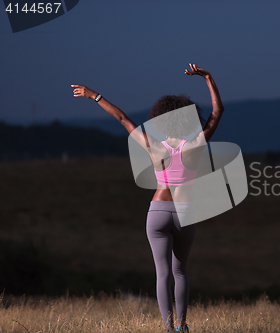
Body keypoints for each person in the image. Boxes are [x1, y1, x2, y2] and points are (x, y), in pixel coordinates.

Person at [71, 63, 224, 332]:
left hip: (158, 212)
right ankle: (181, 324)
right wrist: (208, 78)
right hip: (184, 212)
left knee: (163, 274)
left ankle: (167, 327)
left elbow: (122, 118)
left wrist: (94, 96)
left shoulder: (153, 146)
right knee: (180, 272)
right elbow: (216, 112)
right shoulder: (195, 144)